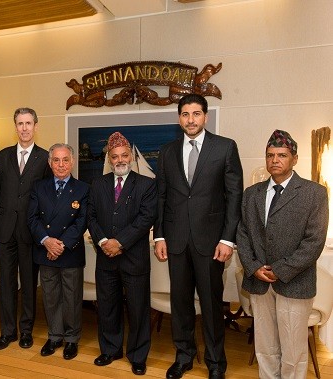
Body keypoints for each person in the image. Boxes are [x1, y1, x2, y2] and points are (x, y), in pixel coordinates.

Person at [154, 94, 243, 379]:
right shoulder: (167, 151)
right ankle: (184, 356)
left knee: (211, 304)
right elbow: (162, 197)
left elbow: (234, 196)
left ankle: (216, 363)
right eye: (184, 114)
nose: (190, 119)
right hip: (176, 241)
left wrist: (228, 239)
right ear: (179, 118)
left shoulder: (225, 148)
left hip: (211, 242)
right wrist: (159, 236)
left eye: (195, 114)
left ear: (205, 116)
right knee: (180, 303)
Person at [237, 130, 328, 379]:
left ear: (294, 159)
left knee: (293, 350)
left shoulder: (314, 193)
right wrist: (254, 266)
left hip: (294, 283)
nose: (275, 160)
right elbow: (242, 234)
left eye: (282, 155)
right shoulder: (251, 194)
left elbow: (314, 242)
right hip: (259, 282)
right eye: (270, 155)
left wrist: (280, 270)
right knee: (265, 346)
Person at [87, 132, 157, 375]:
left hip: (134, 258)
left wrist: (120, 242)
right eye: (114, 156)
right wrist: (105, 241)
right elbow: (91, 216)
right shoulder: (97, 184)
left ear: (131, 156)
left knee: (138, 310)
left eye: (124, 155)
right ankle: (110, 349)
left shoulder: (147, 184)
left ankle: (138, 356)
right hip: (105, 257)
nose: (119, 160)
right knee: (107, 307)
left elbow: (146, 218)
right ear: (109, 158)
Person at [0, 107, 51, 350]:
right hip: (5, 231)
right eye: (20, 123)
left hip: (30, 231)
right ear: (14, 126)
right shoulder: (2, 156)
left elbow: (47, 198)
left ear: (36, 126)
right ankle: (7, 332)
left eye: (28, 123)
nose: (24, 128)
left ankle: (26, 330)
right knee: (6, 283)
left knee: (28, 284)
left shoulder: (45, 157)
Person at [28, 143, 89, 360]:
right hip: (45, 251)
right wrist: (47, 241)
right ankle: (54, 336)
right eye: (56, 160)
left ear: (72, 162)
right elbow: (32, 218)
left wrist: (60, 245)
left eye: (65, 160)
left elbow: (81, 222)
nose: (61, 165)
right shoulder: (38, 187)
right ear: (50, 163)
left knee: (72, 298)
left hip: (69, 251)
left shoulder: (83, 188)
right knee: (51, 296)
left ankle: (72, 339)